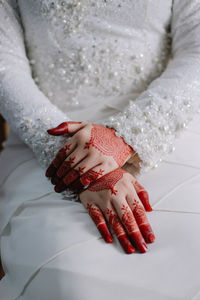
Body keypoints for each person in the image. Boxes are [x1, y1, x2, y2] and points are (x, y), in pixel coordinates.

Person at [0, 0, 200, 299]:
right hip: (46, 131)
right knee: (71, 279)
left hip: (159, 122)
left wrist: (127, 137)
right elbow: (5, 65)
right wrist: (77, 163)